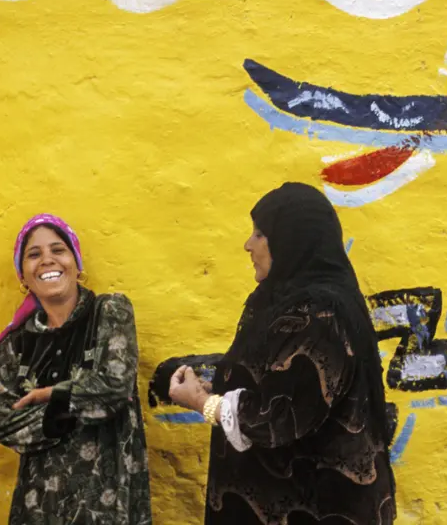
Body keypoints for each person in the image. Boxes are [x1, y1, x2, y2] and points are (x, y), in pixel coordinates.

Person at [169, 182, 396, 524]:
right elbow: (278, 382)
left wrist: (204, 404)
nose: (248, 244)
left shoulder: (320, 315)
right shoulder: (284, 301)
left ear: (292, 240)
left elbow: (279, 417)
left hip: (315, 506)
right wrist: (213, 389)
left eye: (260, 234)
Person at [0, 213, 152, 524]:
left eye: (58, 250)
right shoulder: (16, 343)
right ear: (23, 276)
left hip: (108, 500)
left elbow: (114, 388)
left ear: (77, 263)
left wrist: (48, 395)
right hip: (39, 504)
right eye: (34, 254)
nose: (47, 260)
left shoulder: (109, 312)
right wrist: (67, 407)